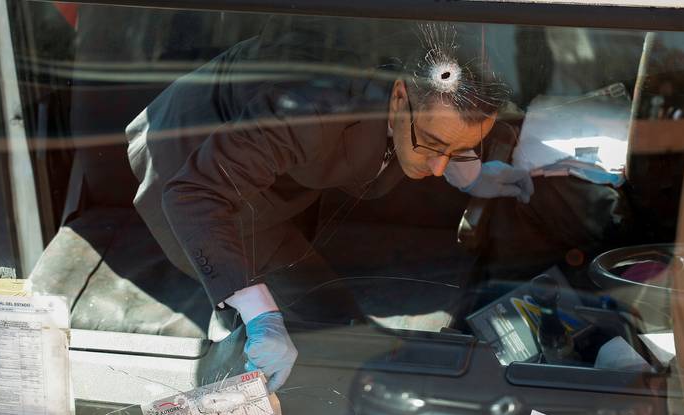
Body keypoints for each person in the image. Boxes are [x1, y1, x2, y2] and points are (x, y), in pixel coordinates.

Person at [125, 21, 533, 392]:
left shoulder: (430, 75)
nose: (439, 164)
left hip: (274, 170)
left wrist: (472, 172)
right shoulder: (310, 110)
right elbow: (193, 194)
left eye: (460, 149)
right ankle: (231, 362)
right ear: (399, 96)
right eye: (432, 145)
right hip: (187, 168)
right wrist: (256, 312)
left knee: (329, 320)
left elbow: (446, 132)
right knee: (278, 317)